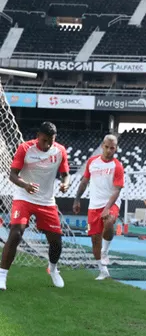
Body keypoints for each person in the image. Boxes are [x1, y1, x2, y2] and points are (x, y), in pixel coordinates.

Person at [0, 122, 69, 290]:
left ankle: (52, 269)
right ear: (38, 136)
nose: (47, 145)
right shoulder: (25, 148)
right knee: (16, 233)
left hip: (46, 201)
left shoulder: (60, 151)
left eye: (50, 141)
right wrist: (25, 185)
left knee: (56, 242)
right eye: (44, 140)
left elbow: (65, 175)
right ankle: (2, 275)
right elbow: (13, 175)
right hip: (24, 197)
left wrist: (65, 184)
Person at [73, 134, 124, 280]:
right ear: (102, 146)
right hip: (93, 205)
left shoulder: (117, 166)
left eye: (112, 148)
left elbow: (117, 190)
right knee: (95, 240)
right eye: (106, 147)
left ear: (116, 149)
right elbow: (84, 182)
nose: (109, 150)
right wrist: (77, 199)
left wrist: (108, 207)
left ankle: (105, 251)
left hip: (111, 202)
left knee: (109, 222)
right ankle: (103, 270)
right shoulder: (92, 162)